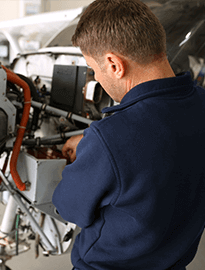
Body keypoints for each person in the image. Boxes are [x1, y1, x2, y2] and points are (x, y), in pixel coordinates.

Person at [52, 0, 205, 269]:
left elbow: (68, 207)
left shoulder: (110, 138)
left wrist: (93, 151)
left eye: (94, 69)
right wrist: (94, 146)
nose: (97, 78)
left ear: (113, 64)